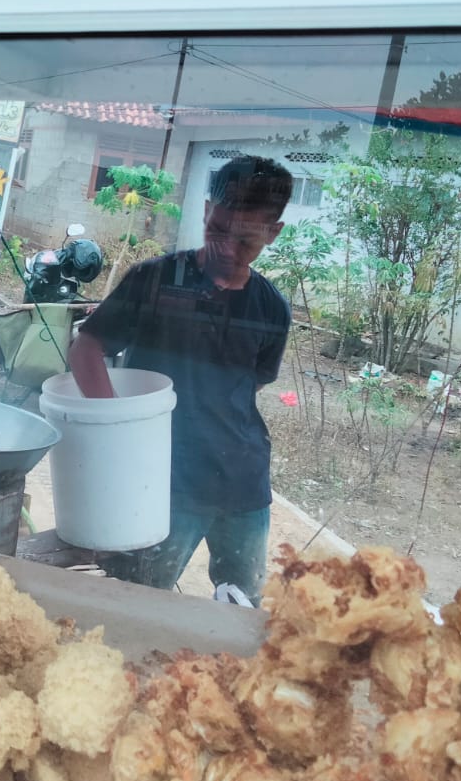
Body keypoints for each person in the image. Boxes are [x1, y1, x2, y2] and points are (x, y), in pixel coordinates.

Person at [67, 155, 293, 604]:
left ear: (273, 233)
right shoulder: (154, 281)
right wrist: (120, 435)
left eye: (246, 240)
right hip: (165, 480)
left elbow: (252, 387)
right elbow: (86, 350)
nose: (228, 248)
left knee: (243, 606)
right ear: (207, 211)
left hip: (243, 484)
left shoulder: (272, 308)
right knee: (139, 600)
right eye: (219, 231)